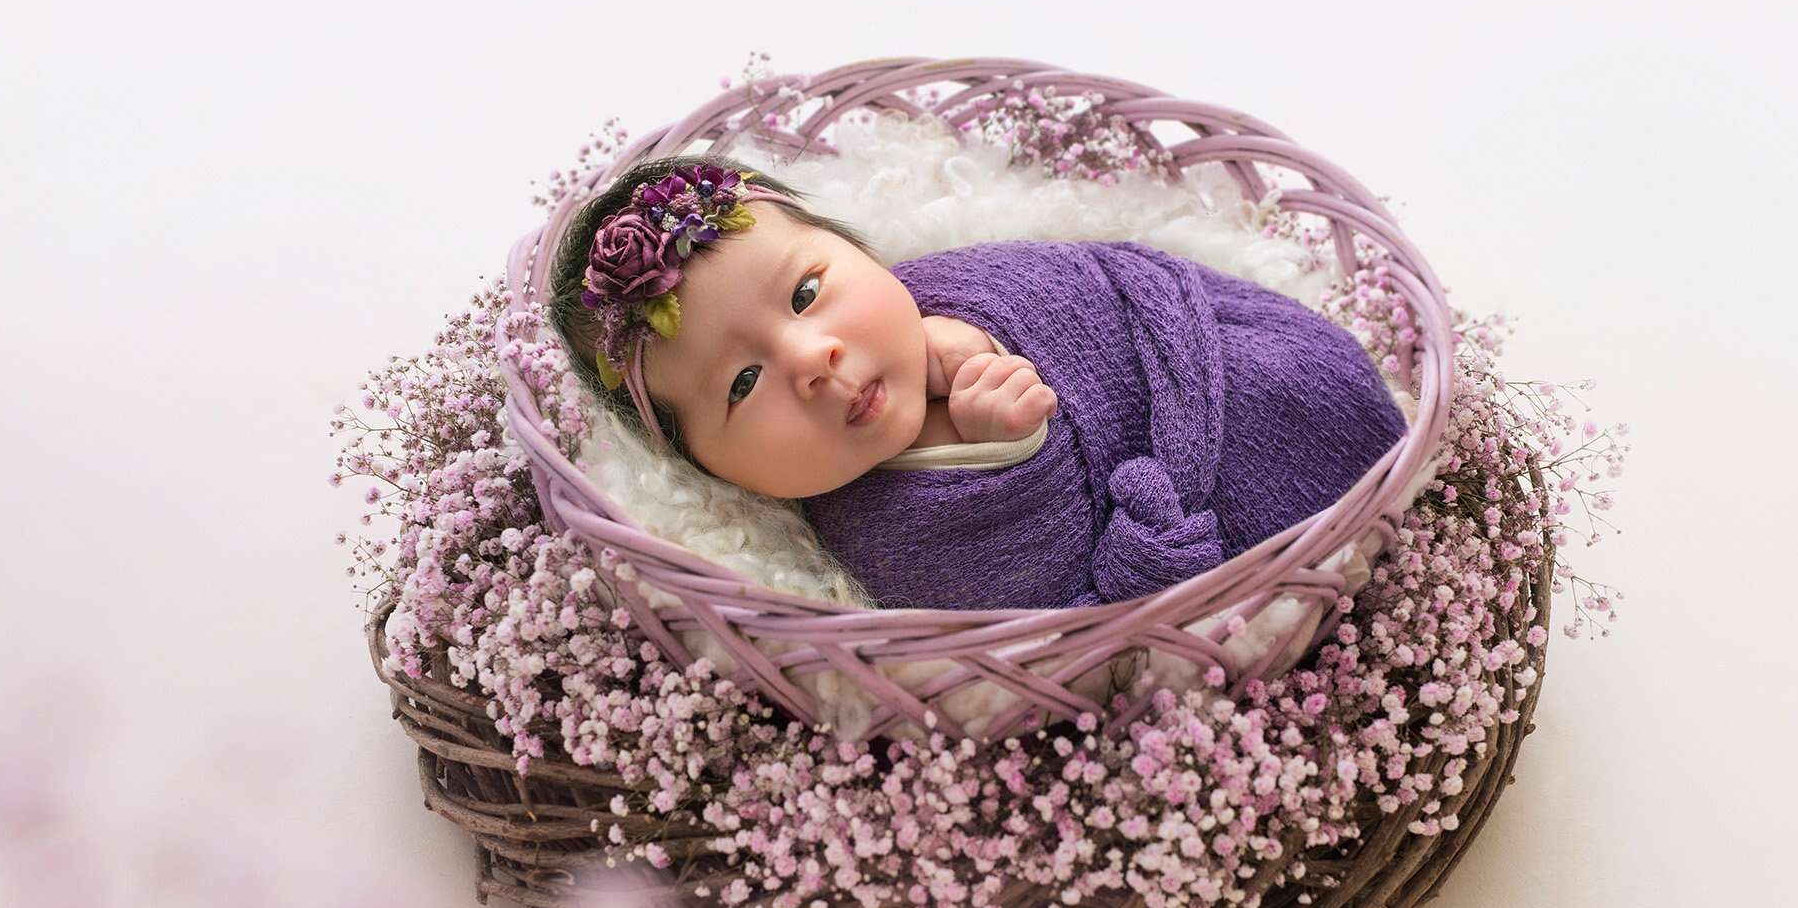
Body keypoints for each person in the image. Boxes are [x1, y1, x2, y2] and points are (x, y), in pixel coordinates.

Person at [548, 157, 1409, 612]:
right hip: (1197, 520)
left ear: (863, 253)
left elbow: (1093, 285)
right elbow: (1025, 601)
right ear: (712, 469)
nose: (813, 358)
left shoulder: (950, 291)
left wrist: (977, 338)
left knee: (1304, 389)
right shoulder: (870, 534)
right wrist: (1006, 448)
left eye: (808, 293)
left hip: (1223, 370)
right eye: (742, 382)